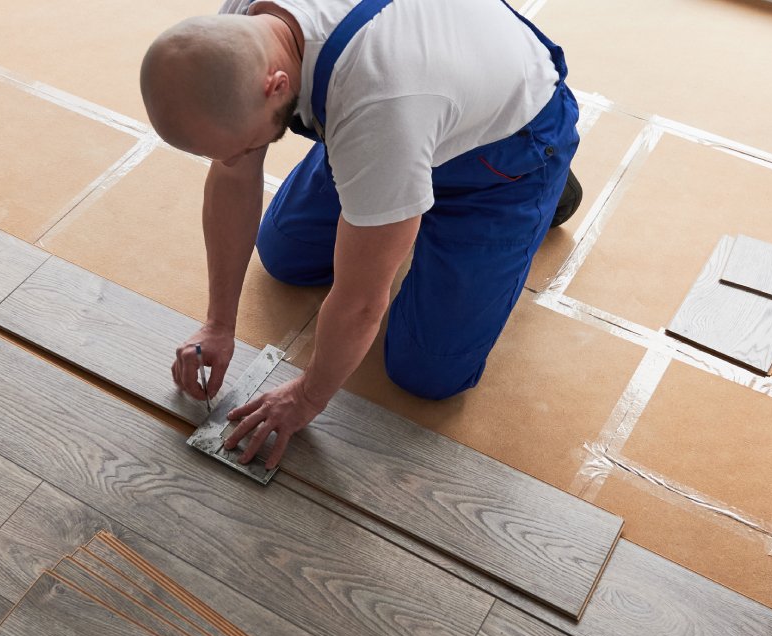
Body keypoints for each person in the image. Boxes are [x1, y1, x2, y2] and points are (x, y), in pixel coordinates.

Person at [142, 0, 580, 469]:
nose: (238, 158)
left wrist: (307, 397)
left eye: (247, 147)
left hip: (504, 154)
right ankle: (393, 193)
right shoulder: (236, 32)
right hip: (406, 110)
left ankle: (540, 195)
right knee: (284, 255)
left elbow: (361, 302)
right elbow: (232, 178)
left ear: (277, 85)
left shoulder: (380, 106)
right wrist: (218, 324)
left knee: (427, 372)